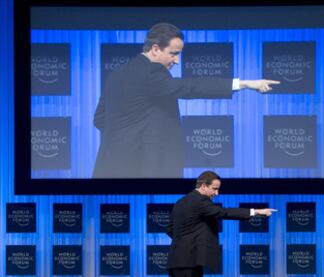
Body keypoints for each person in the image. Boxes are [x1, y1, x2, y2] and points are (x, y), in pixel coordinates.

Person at [93, 23, 279, 178]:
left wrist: (124, 139)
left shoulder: (117, 73)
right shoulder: (151, 72)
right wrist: (244, 84)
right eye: (173, 53)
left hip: (109, 167)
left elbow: (99, 119)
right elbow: (189, 87)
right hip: (144, 170)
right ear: (156, 49)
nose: (176, 61)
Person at [166, 171, 276, 277]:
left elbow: (169, 228)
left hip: (174, 261)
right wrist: (256, 211)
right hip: (189, 262)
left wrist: (184, 241)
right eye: (214, 189)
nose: (217, 193)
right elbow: (224, 212)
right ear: (204, 186)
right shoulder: (200, 200)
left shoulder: (180, 202)